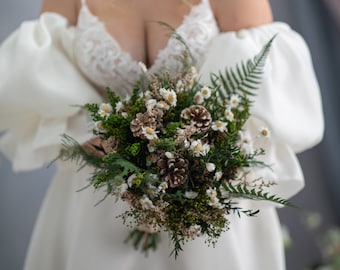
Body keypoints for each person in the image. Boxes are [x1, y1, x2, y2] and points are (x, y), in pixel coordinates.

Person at [0, 0, 324, 269]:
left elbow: (258, 93)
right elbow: (42, 82)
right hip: (97, 196)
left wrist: (197, 157)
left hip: (203, 205)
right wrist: (95, 137)